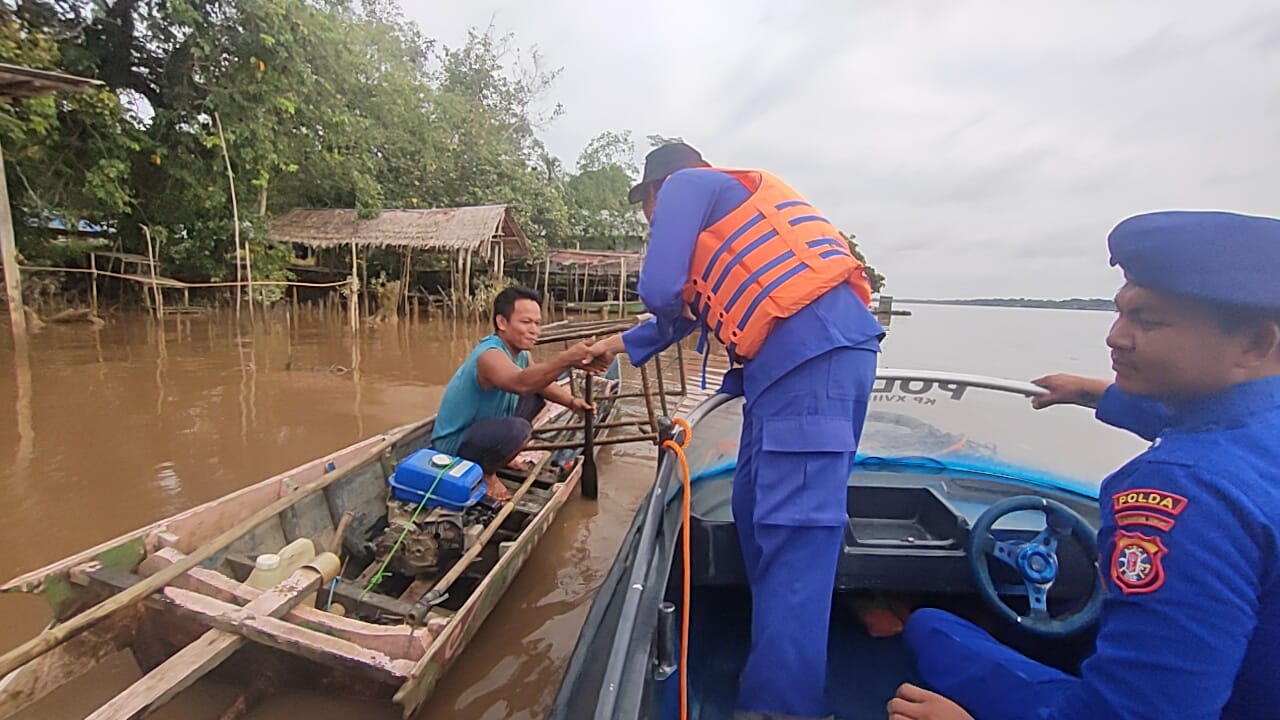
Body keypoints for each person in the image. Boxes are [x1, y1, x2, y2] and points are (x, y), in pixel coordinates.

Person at [889, 210, 1280, 720]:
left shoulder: (1184, 490)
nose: (1115, 337)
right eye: (1120, 313)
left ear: (1254, 343)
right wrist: (1090, 393)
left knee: (933, 628)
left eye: (1148, 321)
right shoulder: (1250, 434)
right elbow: (1199, 418)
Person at [585, 142, 885, 719]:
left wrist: (661, 301)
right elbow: (682, 313)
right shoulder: (728, 208)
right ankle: (783, 651)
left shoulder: (687, 187)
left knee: (793, 535)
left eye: (645, 207)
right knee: (751, 508)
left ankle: (782, 708)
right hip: (787, 371)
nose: (651, 217)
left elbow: (659, 289)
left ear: (657, 190)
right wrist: (611, 344)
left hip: (812, 361)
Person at [431, 286, 597, 502]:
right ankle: (487, 473)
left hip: (482, 429)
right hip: (454, 447)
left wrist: (572, 402)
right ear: (502, 322)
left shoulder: (521, 353)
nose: (534, 330)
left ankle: (500, 456)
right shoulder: (489, 355)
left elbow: (540, 385)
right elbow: (521, 384)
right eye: (526, 322)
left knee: (537, 395)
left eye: (537, 323)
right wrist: (565, 359)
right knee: (520, 428)